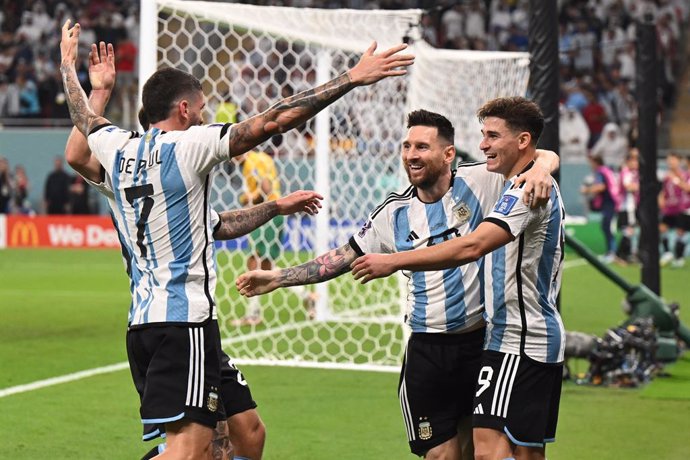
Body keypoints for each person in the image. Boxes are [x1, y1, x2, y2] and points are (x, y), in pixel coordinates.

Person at [60, 18, 413, 459]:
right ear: (185, 110)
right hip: (181, 323)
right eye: (202, 107)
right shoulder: (190, 146)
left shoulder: (118, 150)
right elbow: (275, 119)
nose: (207, 115)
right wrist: (351, 78)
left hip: (165, 325)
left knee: (247, 435)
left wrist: (274, 208)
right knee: (190, 450)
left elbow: (216, 224)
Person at [236, 108, 559, 460]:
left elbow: (529, 154)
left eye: (421, 147)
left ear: (448, 154)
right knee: (442, 456)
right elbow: (342, 256)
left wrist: (543, 166)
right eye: (406, 146)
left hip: (480, 343)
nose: (410, 155)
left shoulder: (484, 179)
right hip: (426, 350)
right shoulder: (393, 213)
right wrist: (278, 277)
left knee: (483, 451)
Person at [349, 97, 565, 460]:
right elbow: (545, 156)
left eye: (493, 136)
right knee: (523, 452)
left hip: (520, 337)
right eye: (483, 135)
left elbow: (473, 246)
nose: (482, 145)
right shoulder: (517, 182)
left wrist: (394, 261)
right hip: (514, 337)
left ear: (523, 141)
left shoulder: (525, 190)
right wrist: (545, 162)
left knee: (489, 451)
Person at [234, 145, 317, 326]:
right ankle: (306, 295)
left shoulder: (250, 163)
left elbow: (266, 186)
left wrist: (249, 199)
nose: (232, 157)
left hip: (265, 215)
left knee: (254, 261)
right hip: (277, 214)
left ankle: (253, 314)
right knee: (266, 266)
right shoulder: (264, 157)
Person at [581, 154, 620, 263]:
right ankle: (611, 252)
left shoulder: (600, 171)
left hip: (610, 202)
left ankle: (612, 252)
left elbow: (601, 187)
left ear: (595, 162)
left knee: (608, 226)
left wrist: (587, 190)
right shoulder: (606, 170)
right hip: (611, 202)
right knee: (606, 226)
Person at [659, 152, 690, 268]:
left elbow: (686, 188)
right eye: (669, 159)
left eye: (673, 159)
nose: (670, 162)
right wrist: (661, 198)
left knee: (681, 232)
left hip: (681, 208)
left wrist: (676, 179)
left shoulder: (683, 175)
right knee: (663, 229)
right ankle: (668, 253)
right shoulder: (667, 176)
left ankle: (678, 257)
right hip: (669, 208)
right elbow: (664, 190)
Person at [615, 149, 640, 264]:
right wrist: (640, 187)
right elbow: (628, 187)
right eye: (634, 160)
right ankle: (620, 255)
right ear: (629, 161)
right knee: (628, 231)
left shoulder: (634, 173)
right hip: (626, 206)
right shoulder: (626, 172)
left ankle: (626, 255)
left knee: (630, 231)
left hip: (630, 206)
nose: (636, 163)